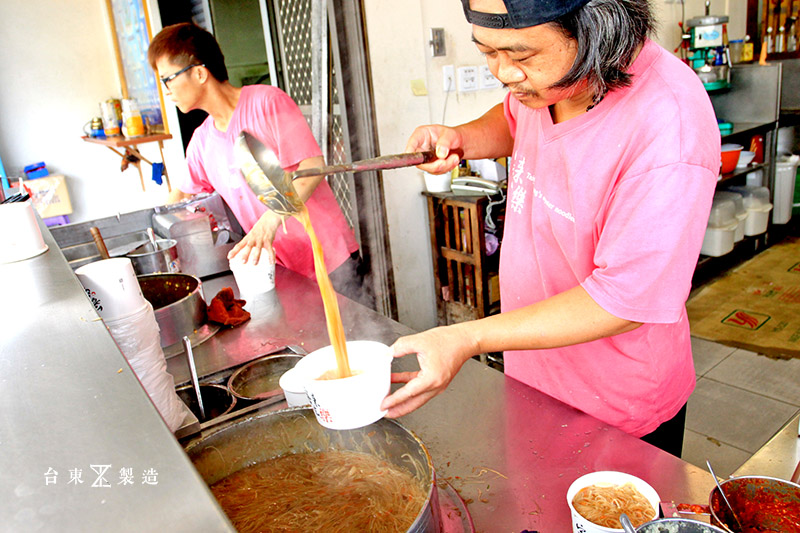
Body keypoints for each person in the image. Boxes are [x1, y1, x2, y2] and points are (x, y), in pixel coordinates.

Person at [381, 0, 720, 457]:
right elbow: (511, 120)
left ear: (597, 31)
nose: (503, 73)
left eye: (521, 57)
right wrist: (460, 138)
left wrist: (466, 336)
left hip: (616, 409)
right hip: (535, 381)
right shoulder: (545, 88)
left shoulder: (668, 122)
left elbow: (625, 299)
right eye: (487, 52)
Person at [147, 23, 362, 298]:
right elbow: (180, 197)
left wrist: (269, 221)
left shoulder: (267, 103)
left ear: (199, 73)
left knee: (358, 335)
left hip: (330, 258)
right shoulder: (202, 141)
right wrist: (154, 245)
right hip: (281, 271)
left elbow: (311, 168)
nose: (166, 90)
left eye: (168, 78)